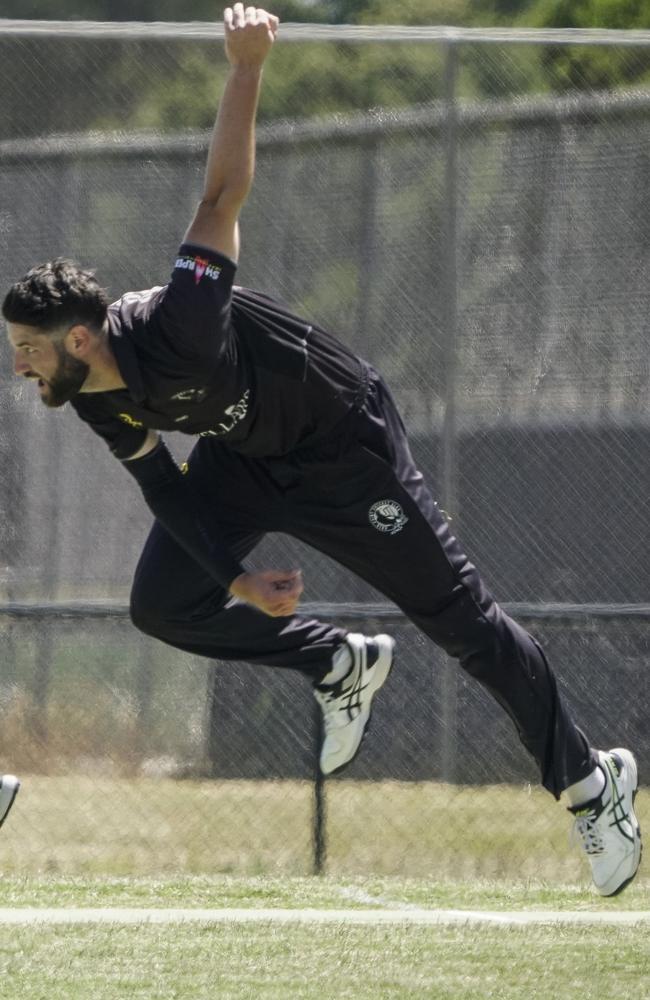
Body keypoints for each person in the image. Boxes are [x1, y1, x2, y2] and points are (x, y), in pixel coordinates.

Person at [2, 5, 641, 896]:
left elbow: (221, 196)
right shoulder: (97, 400)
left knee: (462, 623)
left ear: (77, 340)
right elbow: (165, 489)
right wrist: (237, 585)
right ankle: (336, 661)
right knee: (162, 604)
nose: (20, 373)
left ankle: (588, 784)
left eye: (27, 353)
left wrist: (247, 67)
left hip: (343, 446)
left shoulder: (178, 325)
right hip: (244, 462)